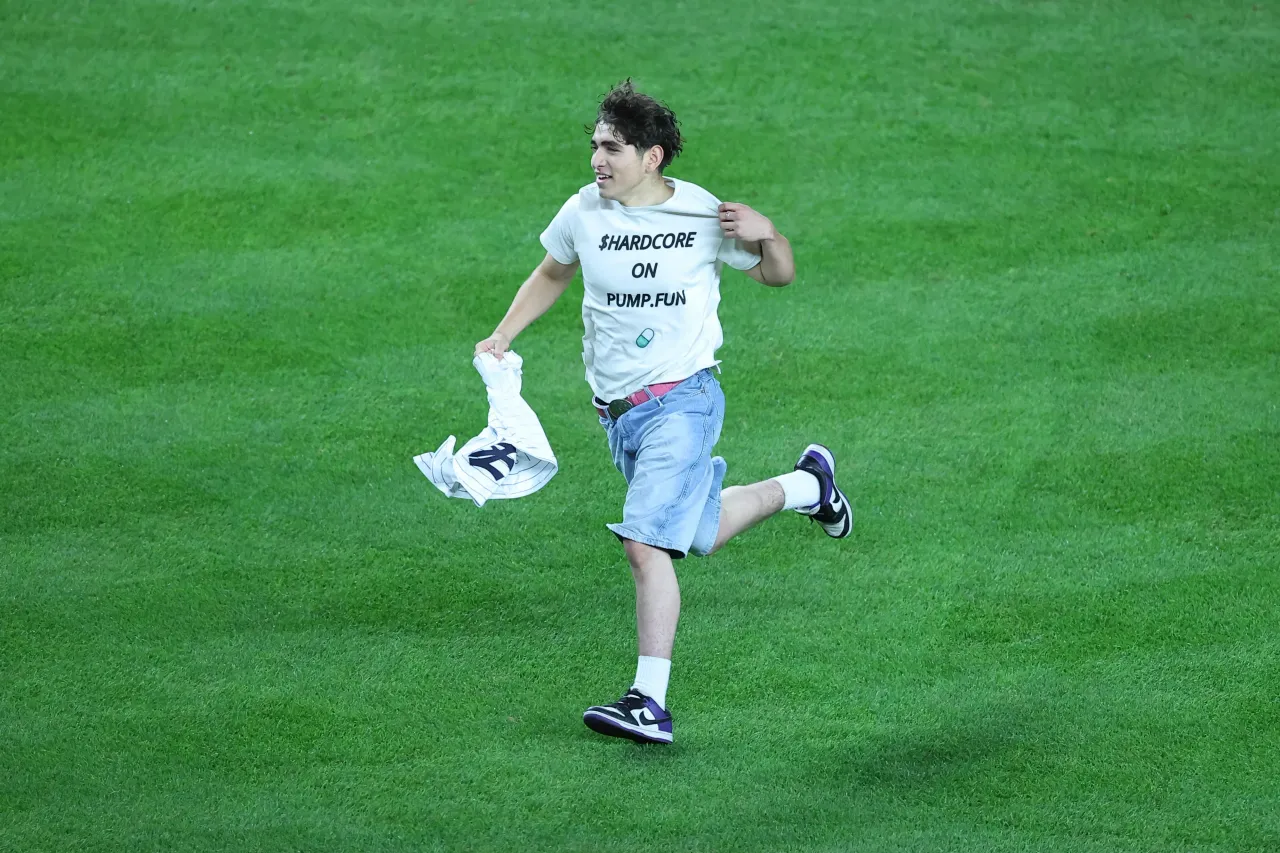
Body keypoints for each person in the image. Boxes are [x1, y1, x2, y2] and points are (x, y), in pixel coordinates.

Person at [474, 80, 851, 745]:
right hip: (619, 416)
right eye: (594, 144)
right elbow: (554, 270)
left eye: (611, 147)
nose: (597, 159)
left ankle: (649, 701)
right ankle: (809, 486)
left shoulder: (703, 213)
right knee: (698, 530)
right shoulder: (584, 211)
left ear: (651, 157)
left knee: (645, 542)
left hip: (684, 399)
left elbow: (777, 274)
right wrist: (504, 333)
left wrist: (771, 235)